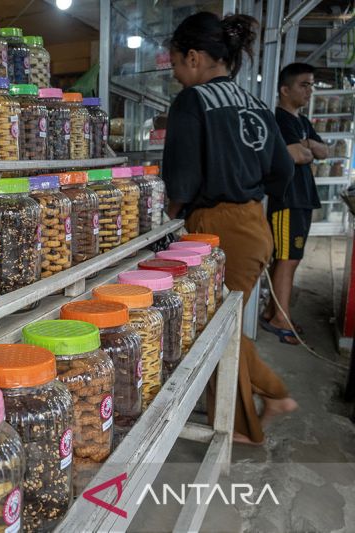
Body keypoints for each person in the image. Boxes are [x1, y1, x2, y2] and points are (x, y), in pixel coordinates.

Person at [163, 12, 298, 445]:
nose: (178, 76)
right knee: (220, 323)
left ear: (195, 57)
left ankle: (247, 421)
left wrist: (165, 219)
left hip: (215, 227)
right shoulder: (256, 103)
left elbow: (181, 183)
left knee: (213, 329)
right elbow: (282, 172)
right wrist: (248, 191)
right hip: (253, 222)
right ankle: (267, 399)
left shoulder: (193, 101)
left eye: (177, 66)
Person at [261, 63, 327, 344]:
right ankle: (280, 319)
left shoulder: (301, 121)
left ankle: (273, 311)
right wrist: (306, 146)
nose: (309, 90)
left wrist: (307, 145)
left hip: (303, 198)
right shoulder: (278, 118)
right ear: (284, 90)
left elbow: (322, 151)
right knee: (288, 259)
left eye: (311, 85)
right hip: (287, 199)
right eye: (304, 84)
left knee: (289, 259)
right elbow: (298, 155)